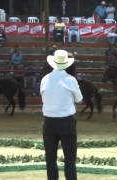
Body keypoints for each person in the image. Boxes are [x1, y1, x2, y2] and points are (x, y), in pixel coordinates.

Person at [40, 49, 83, 180]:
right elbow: (79, 99)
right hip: (66, 122)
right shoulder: (71, 80)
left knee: (50, 158)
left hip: (48, 122)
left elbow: (43, 98)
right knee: (70, 158)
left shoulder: (45, 79)